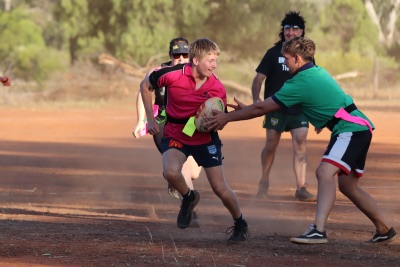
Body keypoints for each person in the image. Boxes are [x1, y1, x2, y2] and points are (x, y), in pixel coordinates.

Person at [205, 37, 397, 245]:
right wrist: (247, 110)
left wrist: (227, 117)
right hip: (356, 127)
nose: (285, 63)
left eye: (286, 59)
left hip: (350, 129)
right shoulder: (315, 72)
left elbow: (262, 108)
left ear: (297, 58)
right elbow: (269, 106)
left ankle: (319, 230)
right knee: (348, 186)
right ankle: (383, 229)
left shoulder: (300, 81)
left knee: (324, 172)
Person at [140, 38, 248, 243]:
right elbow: (145, 85)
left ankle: (240, 222)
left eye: (216, 60)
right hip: (176, 132)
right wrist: (150, 118)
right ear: (196, 60)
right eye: (211, 60)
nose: (214, 65)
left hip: (205, 138)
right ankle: (188, 197)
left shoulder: (217, 87)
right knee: (170, 172)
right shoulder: (172, 75)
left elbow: (222, 121)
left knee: (220, 188)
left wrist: (217, 122)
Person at [251, 11, 316, 201]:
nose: (290, 32)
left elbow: (312, 81)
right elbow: (258, 79)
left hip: (299, 108)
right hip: (275, 107)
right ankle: (264, 181)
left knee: (300, 144)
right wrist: (257, 101)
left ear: (301, 31)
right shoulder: (273, 53)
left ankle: (301, 187)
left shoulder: (307, 56)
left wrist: (315, 111)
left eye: (294, 28)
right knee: (271, 145)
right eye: (287, 28)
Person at [132, 37, 202, 200]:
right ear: (170, 55)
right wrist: (142, 120)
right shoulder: (158, 72)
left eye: (185, 55)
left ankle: (172, 176)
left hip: (189, 122)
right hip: (163, 122)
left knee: (194, 172)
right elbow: (143, 92)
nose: (181, 59)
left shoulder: (196, 73)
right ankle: (190, 208)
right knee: (182, 163)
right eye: (177, 56)